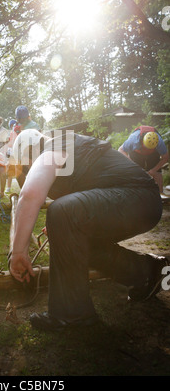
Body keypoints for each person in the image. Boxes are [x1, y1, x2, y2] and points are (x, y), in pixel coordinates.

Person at [9, 128, 168, 332]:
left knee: (61, 213)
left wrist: (19, 251)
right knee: (70, 234)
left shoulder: (55, 145)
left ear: (29, 152)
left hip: (138, 199)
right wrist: (61, 231)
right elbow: (84, 198)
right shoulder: (68, 154)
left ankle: (72, 314)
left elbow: (29, 194)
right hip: (142, 203)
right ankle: (149, 272)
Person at [118, 125, 169, 193]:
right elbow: (120, 150)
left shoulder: (159, 142)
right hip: (136, 152)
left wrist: (153, 170)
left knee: (157, 173)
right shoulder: (134, 139)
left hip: (153, 154)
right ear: (142, 142)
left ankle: (160, 195)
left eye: (149, 148)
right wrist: (131, 163)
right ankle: (135, 194)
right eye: (146, 148)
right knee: (135, 172)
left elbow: (165, 157)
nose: (147, 150)